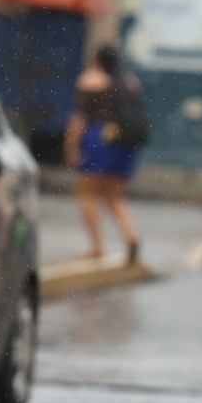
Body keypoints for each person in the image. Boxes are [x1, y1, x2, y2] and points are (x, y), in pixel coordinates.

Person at [64, 44, 143, 262]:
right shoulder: (130, 83)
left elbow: (80, 118)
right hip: (124, 141)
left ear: (98, 61)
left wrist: (71, 146)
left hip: (99, 138)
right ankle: (131, 236)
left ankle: (96, 246)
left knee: (88, 194)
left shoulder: (91, 81)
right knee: (116, 196)